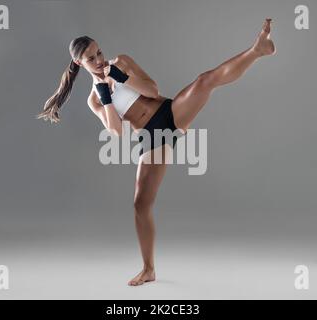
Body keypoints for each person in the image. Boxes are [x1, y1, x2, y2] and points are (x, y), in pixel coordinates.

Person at [36, 18, 276, 286]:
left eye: (99, 52)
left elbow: (152, 89)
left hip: (169, 113)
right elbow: (116, 131)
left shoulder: (121, 62)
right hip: (152, 137)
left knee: (205, 81)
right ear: (80, 64)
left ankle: (256, 50)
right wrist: (105, 94)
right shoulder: (94, 99)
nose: (100, 59)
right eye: (92, 58)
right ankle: (148, 269)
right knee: (141, 204)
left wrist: (119, 76)